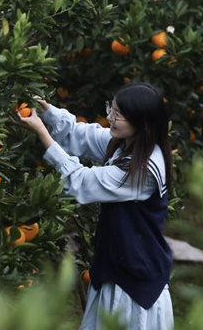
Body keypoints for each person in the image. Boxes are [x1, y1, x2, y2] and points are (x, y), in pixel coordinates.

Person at [16, 82, 174, 330]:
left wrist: (43, 135)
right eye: (111, 109)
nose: (110, 118)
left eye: (118, 115)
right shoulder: (124, 142)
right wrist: (46, 110)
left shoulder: (144, 170)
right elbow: (82, 134)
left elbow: (82, 182)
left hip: (135, 279)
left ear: (141, 123)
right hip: (116, 266)